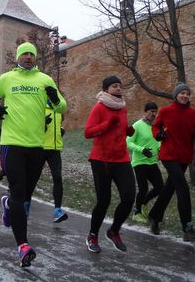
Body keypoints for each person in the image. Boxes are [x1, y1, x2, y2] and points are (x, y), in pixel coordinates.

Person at [0, 42, 66, 267]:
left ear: (36, 57)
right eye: (25, 54)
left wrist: (56, 98)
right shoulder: (7, 79)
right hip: (12, 144)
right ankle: (23, 246)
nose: (29, 57)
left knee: (26, 194)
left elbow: (61, 108)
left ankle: (9, 204)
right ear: (19, 57)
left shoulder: (45, 79)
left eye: (32, 54)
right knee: (19, 192)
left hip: (37, 146)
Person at [146, 82, 195, 242]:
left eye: (187, 93)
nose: (185, 96)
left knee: (169, 188)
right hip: (169, 155)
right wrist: (160, 135)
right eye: (182, 93)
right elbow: (155, 128)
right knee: (183, 188)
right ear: (176, 95)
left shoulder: (193, 113)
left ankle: (154, 216)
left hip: (184, 157)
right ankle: (188, 229)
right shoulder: (166, 111)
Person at [84, 75, 136, 254]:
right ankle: (92, 235)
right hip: (101, 160)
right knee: (103, 201)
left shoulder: (122, 108)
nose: (119, 89)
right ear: (106, 89)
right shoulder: (99, 107)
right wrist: (106, 124)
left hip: (121, 159)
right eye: (114, 86)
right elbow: (88, 132)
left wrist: (128, 131)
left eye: (120, 86)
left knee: (129, 197)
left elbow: (120, 129)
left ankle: (113, 231)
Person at [126, 102, 163, 223]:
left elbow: (158, 141)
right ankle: (137, 212)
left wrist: (160, 149)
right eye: (151, 111)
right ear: (145, 112)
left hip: (152, 162)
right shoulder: (137, 125)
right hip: (139, 162)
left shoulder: (156, 126)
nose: (153, 114)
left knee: (159, 187)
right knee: (143, 189)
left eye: (155, 111)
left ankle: (144, 204)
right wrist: (142, 150)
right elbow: (128, 142)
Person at [38, 101, 68, 223]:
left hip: (55, 149)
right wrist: (42, 123)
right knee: (32, 179)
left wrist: (61, 130)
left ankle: (57, 210)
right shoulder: (39, 105)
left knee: (57, 177)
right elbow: (30, 126)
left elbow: (59, 124)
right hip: (40, 148)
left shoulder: (58, 109)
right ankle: (25, 205)